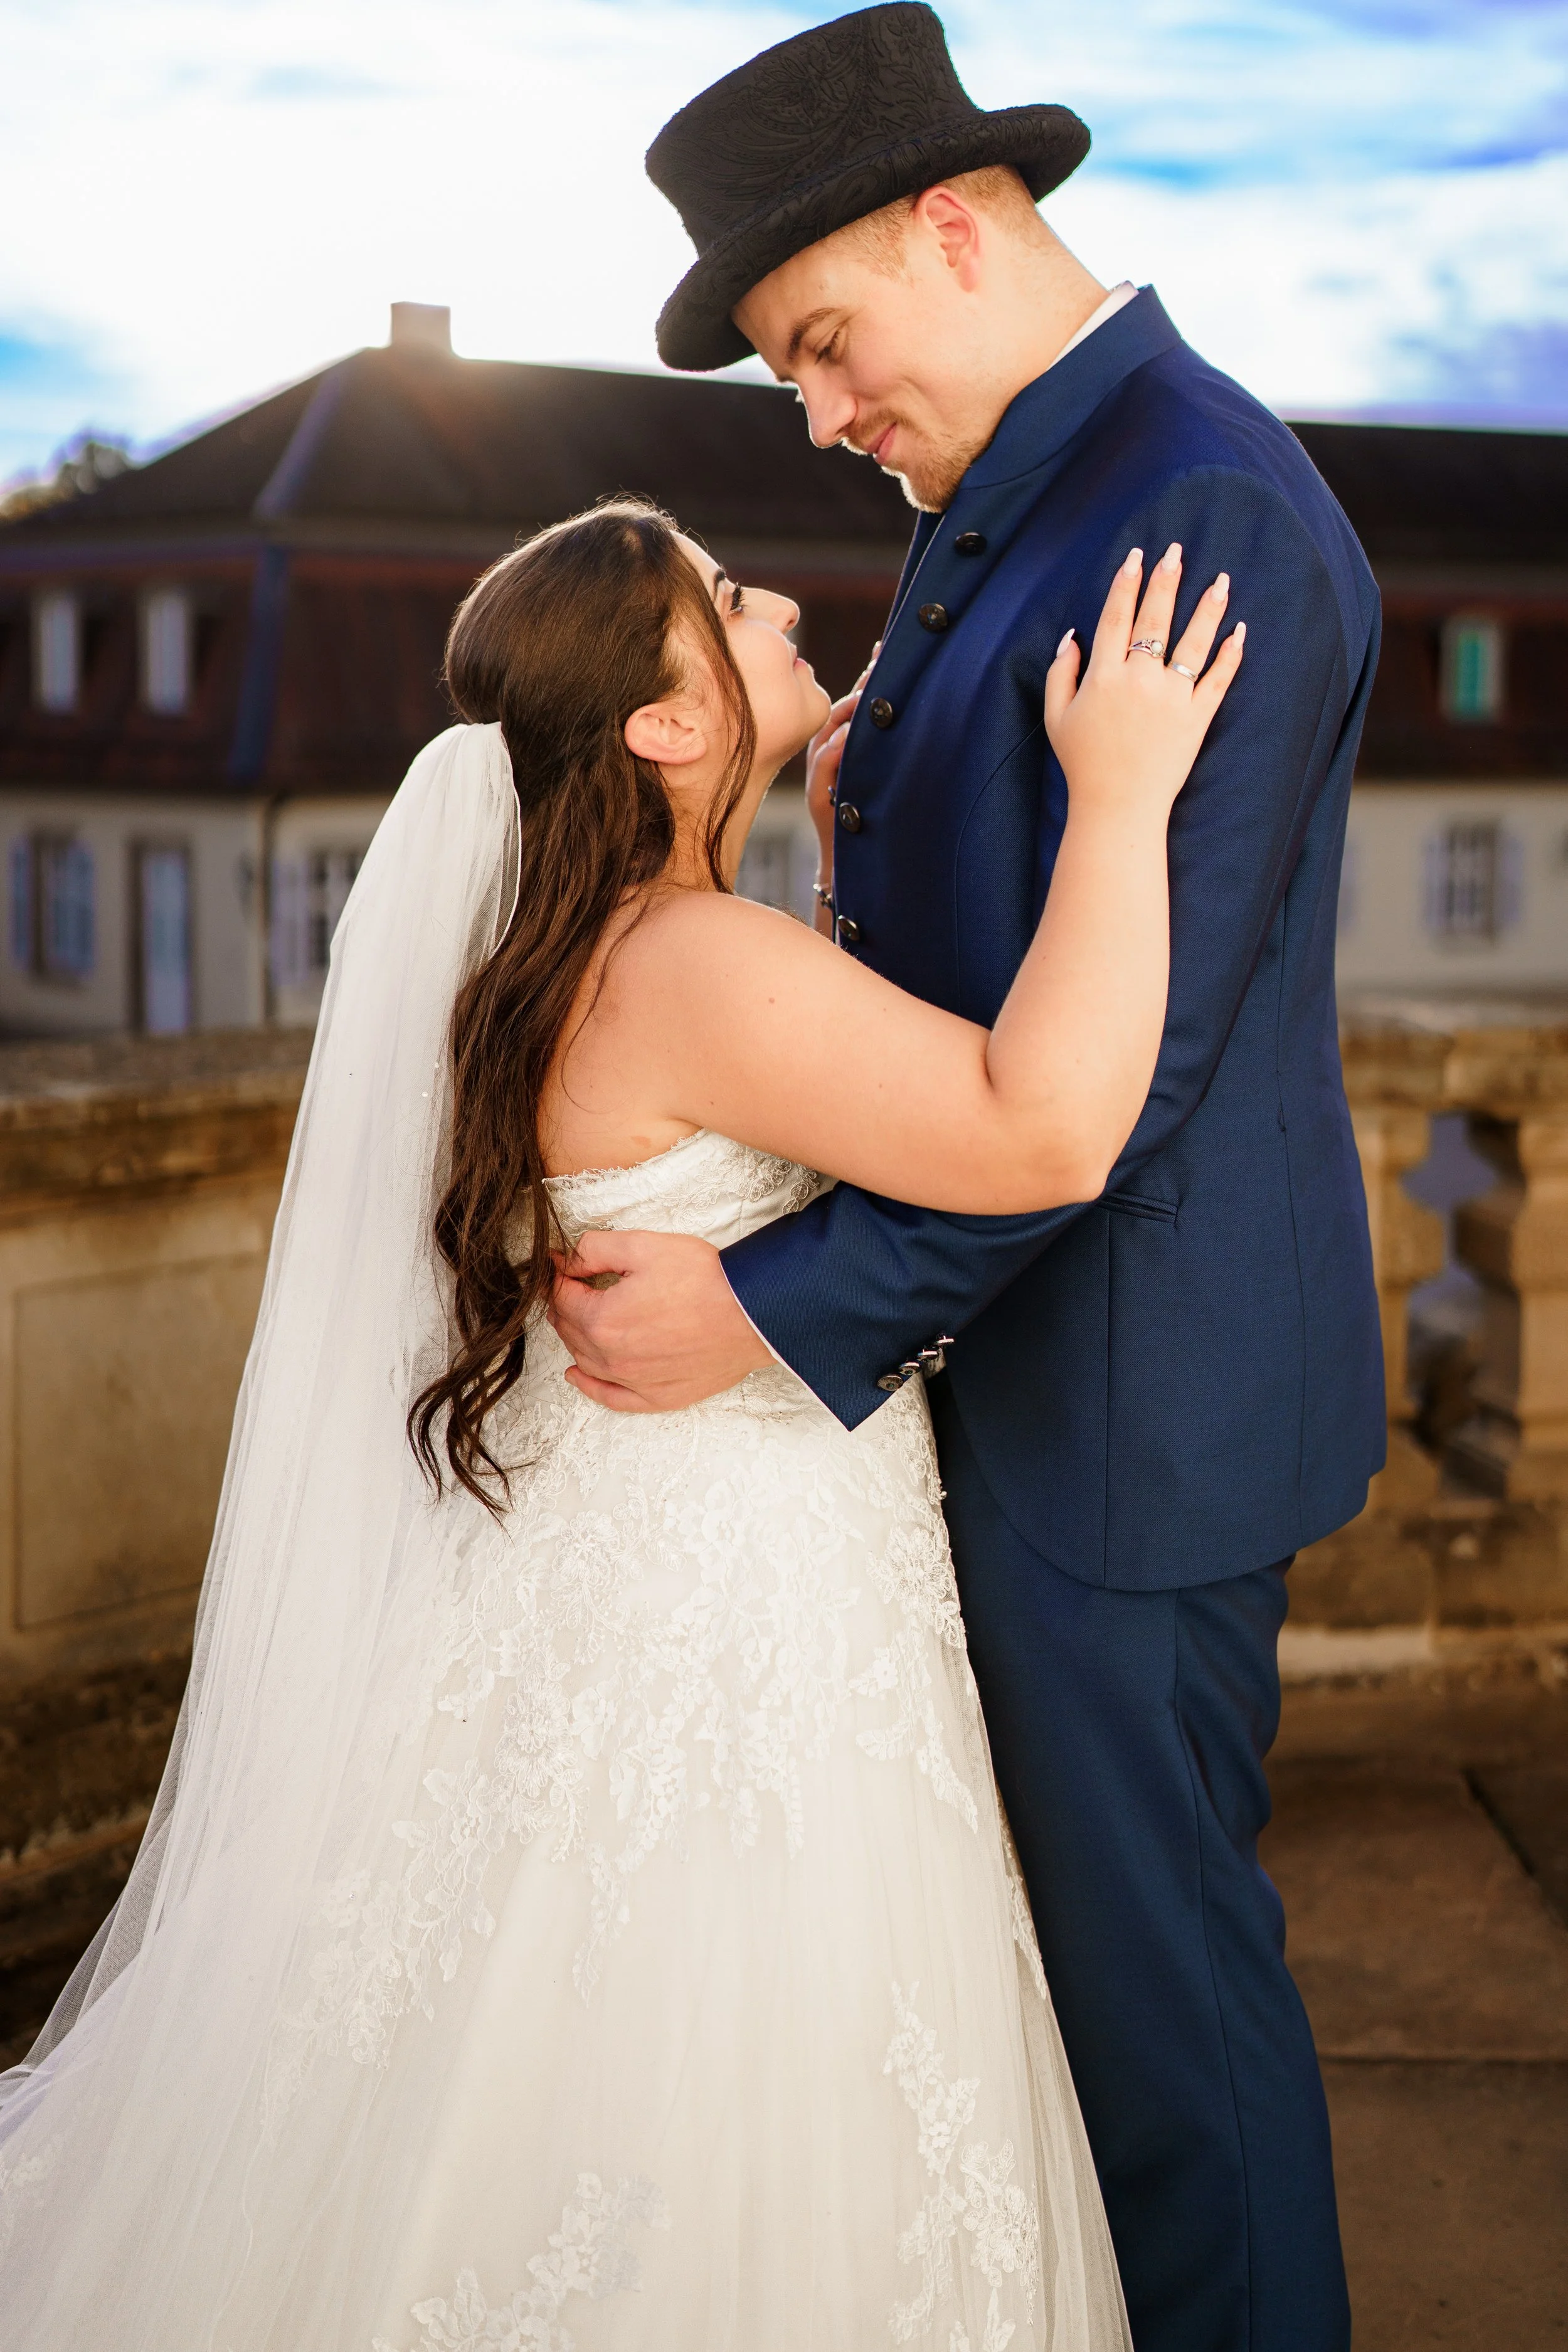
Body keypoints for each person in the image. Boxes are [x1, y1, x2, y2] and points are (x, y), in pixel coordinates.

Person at [0, 490, 1236, 2346]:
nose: (776, 605)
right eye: (725, 603)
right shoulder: (689, 962)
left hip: (622, 1573)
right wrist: (1126, 795)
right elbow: (1037, 1125)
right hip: (746, 1615)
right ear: (662, 723)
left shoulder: (594, 951)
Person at [550, 10, 1386, 2352]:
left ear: (956, 226)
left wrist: (772, 1309)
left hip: (1128, 1407)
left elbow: (1119, 1079)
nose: (816, 417)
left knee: (1171, 2050)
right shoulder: (1024, 481)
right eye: (781, 380)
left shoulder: (1189, 509)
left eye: (821, 346)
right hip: (1028, 1381)